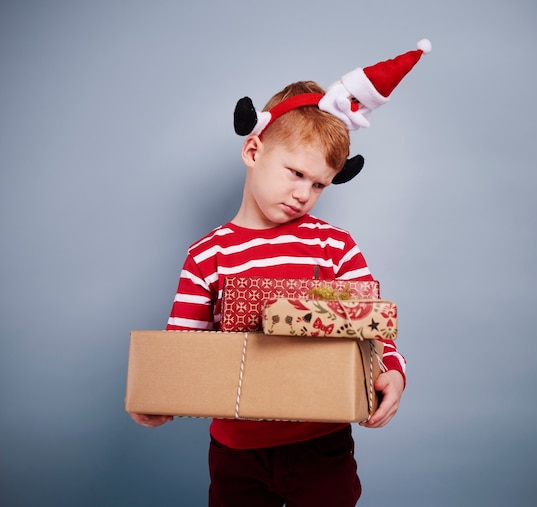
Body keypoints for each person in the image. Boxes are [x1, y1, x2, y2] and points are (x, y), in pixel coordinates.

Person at [130, 40, 431, 506]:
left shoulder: (334, 246)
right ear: (253, 150)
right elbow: (184, 350)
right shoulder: (208, 254)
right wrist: (159, 397)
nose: (304, 194)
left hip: (322, 443)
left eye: (318, 184)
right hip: (236, 451)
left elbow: (374, 328)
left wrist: (393, 371)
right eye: (294, 172)